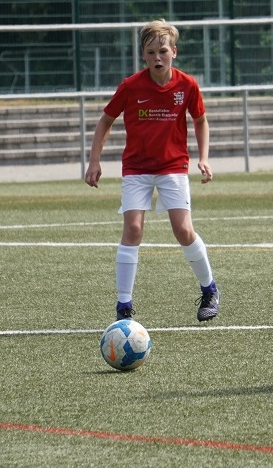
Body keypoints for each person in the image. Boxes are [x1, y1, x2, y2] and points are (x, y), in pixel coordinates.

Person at [84, 19, 220, 323]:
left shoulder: (187, 85)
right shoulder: (130, 86)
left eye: (163, 51)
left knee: (183, 230)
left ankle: (209, 289)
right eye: (151, 52)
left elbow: (200, 120)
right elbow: (105, 121)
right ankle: (124, 306)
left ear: (174, 52)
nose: (157, 58)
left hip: (173, 165)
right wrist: (94, 161)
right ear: (143, 56)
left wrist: (204, 158)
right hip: (137, 167)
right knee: (133, 229)